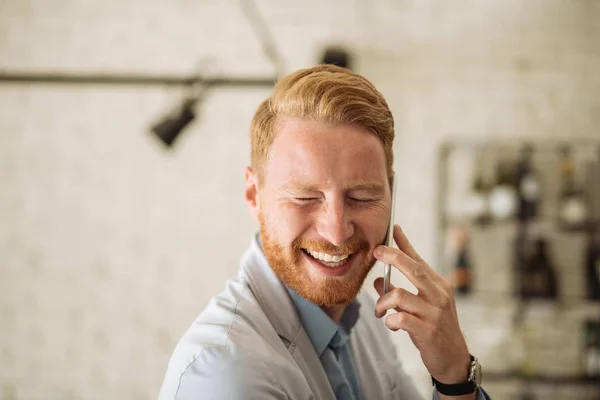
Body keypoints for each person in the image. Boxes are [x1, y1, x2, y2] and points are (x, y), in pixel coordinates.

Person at [158, 65, 489, 400]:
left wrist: (454, 376)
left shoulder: (363, 318)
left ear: (392, 195)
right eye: (304, 198)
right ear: (253, 196)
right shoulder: (224, 375)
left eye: (362, 197)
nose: (336, 233)